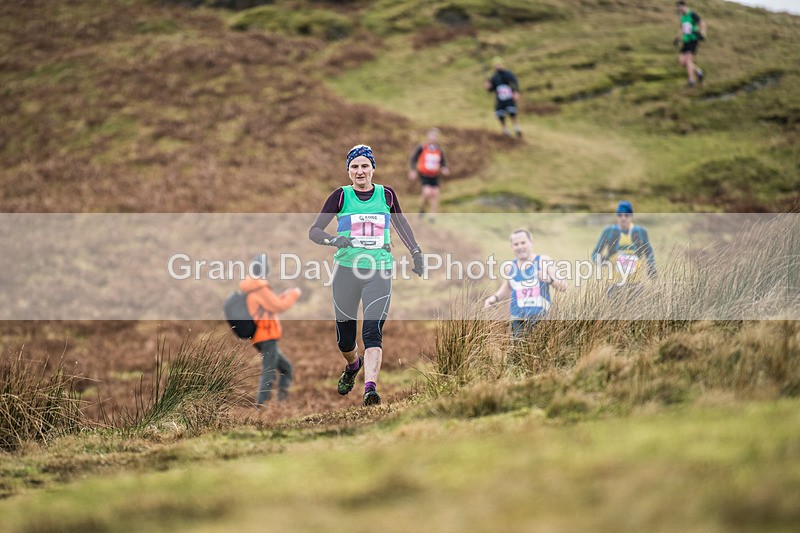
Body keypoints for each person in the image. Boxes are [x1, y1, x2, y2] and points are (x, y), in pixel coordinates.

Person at [309, 144, 425, 407]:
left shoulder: (387, 195)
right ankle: (353, 366)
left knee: (372, 331)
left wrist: (416, 252)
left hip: (379, 270)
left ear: (373, 168)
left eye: (364, 166)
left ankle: (370, 389)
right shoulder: (340, 196)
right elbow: (314, 231)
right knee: (345, 340)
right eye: (354, 167)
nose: (360, 171)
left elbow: (401, 224)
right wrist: (333, 240)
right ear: (348, 171)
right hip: (346, 272)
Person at [238, 253, 301, 411]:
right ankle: (261, 407)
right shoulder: (260, 288)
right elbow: (278, 306)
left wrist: (282, 296)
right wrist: (294, 294)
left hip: (261, 336)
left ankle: (281, 404)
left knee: (286, 368)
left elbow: (269, 305)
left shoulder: (253, 287)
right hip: (266, 336)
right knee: (269, 372)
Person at [484, 229, 566, 337]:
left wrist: (549, 279)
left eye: (523, 243)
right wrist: (493, 298)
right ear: (512, 247)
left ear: (531, 242)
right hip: (518, 320)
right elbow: (508, 286)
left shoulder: (543, 261)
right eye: (516, 244)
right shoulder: (509, 267)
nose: (520, 247)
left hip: (542, 320)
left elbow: (563, 286)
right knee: (518, 352)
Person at [591, 201, 656, 298]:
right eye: (620, 215)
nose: (623, 218)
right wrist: (604, 261)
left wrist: (651, 266)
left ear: (631, 215)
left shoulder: (640, 232)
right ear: (617, 216)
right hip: (614, 283)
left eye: (626, 215)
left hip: (636, 284)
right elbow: (595, 254)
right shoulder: (609, 231)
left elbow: (649, 252)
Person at [408, 128, 450, 223]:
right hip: (424, 174)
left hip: (435, 175)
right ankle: (422, 209)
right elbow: (413, 159)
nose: (433, 138)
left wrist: (444, 168)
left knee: (435, 194)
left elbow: (443, 162)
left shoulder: (439, 150)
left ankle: (432, 216)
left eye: (435, 136)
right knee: (427, 193)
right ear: (428, 137)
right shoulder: (422, 147)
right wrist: (413, 170)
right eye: (432, 136)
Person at [484, 56, 522, 138]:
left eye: (499, 64)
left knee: (512, 113)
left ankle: (516, 128)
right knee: (500, 115)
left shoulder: (508, 74)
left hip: (509, 97)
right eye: (496, 65)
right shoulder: (494, 77)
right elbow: (492, 89)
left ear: (502, 64)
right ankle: (505, 130)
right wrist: (488, 87)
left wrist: (516, 92)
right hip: (500, 99)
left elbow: (514, 82)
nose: (497, 66)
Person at [675, 0, 707, 88]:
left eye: (680, 7)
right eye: (678, 8)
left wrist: (702, 33)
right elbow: (683, 28)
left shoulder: (692, 14)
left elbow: (702, 23)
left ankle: (691, 81)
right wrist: (678, 38)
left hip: (693, 39)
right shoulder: (682, 17)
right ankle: (698, 72)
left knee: (688, 60)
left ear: (684, 6)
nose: (679, 9)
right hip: (686, 40)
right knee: (682, 62)